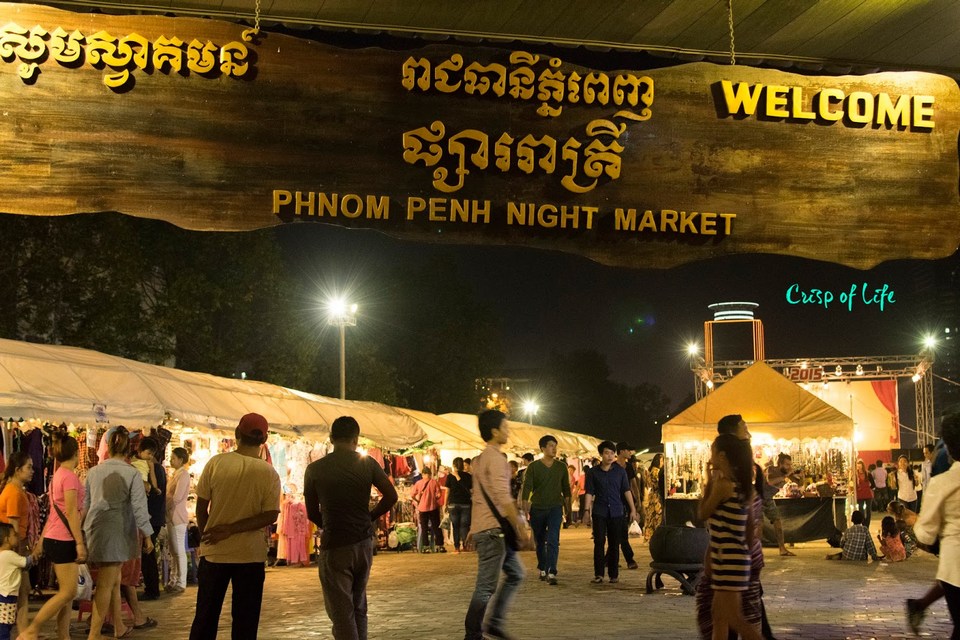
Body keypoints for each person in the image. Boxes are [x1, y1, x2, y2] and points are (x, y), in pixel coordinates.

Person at [303, 415, 398, 640]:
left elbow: (311, 512)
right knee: (358, 604)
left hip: (335, 544)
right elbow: (391, 496)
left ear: (331, 438)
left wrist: (326, 523)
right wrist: (370, 517)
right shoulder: (367, 464)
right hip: (363, 543)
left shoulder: (315, 469)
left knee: (341, 610)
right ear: (356, 439)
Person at [188, 413, 281, 640]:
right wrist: (234, 529)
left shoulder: (216, 463)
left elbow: (202, 507)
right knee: (245, 623)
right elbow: (270, 515)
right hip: (250, 556)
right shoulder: (268, 473)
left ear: (237, 434)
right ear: (264, 439)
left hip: (215, 554)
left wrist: (207, 534)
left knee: (205, 619)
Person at [464, 410, 530, 640]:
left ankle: (494, 622)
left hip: (489, 529)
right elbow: (503, 498)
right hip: (493, 532)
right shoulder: (496, 459)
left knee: (517, 573)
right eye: (505, 426)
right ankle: (473, 634)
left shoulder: (480, 459)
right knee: (485, 586)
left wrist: (473, 528)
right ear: (494, 431)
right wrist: (520, 526)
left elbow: (478, 498)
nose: (508, 430)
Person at [83, 426, 154, 640]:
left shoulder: (94, 471)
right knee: (106, 583)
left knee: (113, 580)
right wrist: (148, 536)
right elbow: (140, 508)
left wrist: (83, 534)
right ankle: (94, 634)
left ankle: (119, 627)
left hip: (95, 529)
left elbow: (86, 505)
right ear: (127, 448)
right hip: (117, 532)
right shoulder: (130, 472)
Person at [18, 434, 86, 640]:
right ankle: (33, 629)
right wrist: (80, 543)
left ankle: (64, 635)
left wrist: (40, 541)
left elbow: (55, 512)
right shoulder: (69, 477)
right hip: (64, 538)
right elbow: (71, 512)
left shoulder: (58, 475)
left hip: (55, 536)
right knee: (68, 591)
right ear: (76, 453)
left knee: (67, 593)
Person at [698, 433, 761, 640]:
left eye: (713, 452)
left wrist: (707, 481)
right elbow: (750, 528)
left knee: (734, 618)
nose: (711, 456)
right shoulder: (741, 486)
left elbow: (702, 513)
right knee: (719, 616)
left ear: (722, 456)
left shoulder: (723, 486)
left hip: (729, 560)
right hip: (735, 557)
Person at [913, 411, 960, 639]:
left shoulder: (942, 483)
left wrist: (915, 524)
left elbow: (925, 534)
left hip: (955, 570)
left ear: (949, 448)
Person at [583, 440, 637, 585]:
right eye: (607, 453)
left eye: (612, 453)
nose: (610, 456)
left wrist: (633, 509)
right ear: (601, 454)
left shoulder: (620, 472)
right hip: (599, 511)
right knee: (599, 542)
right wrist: (586, 511)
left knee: (614, 543)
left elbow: (626, 490)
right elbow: (589, 492)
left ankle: (614, 574)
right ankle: (599, 574)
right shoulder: (593, 472)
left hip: (616, 511)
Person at [521, 434, 571, 585]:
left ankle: (552, 571)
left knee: (553, 539)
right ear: (542, 448)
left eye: (555, 446)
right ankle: (542, 567)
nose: (554, 448)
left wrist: (567, 507)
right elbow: (527, 486)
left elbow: (566, 489)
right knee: (540, 539)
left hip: (556, 507)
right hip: (537, 508)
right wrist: (524, 503)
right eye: (550, 445)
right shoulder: (533, 467)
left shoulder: (561, 467)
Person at [0, 453, 33, 635]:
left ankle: (24, 631)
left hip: (15, 545)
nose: (32, 471)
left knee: (23, 590)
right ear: (17, 470)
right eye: (28, 467)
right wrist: (20, 552)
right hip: (14, 546)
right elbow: (14, 526)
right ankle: (24, 633)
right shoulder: (13, 492)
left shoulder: (16, 490)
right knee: (21, 591)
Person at [135, 437, 166, 601]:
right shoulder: (156, 468)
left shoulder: (154, 469)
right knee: (148, 554)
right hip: (154, 517)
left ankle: (152, 589)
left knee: (148, 554)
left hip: (152, 518)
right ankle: (152, 587)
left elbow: (154, 493)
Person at [0, 522, 35, 640]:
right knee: (5, 626)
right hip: (7, 596)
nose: (17, 537)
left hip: (3, 594)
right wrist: (36, 554)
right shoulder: (9, 555)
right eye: (14, 535)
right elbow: (26, 562)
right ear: (6, 539)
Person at [166, 447, 191, 594]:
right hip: (170, 515)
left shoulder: (184, 475)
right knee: (173, 551)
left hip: (177, 516)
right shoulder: (176, 474)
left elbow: (177, 497)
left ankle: (181, 582)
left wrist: (166, 501)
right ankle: (173, 579)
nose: (171, 460)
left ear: (181, 460)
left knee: (179, 550)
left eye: (174, 458)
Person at [763, 453, 798, 557]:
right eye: (787, 464)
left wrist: (800, 476)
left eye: (790, 464)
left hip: (768, 499)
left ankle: (782, 549)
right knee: (758, 524)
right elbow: (770, 482)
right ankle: (753, 550)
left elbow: (799, 484)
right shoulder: (771, 469)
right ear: (780, 464)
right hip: (757, 497)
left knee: (777, 521)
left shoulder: (786, 473)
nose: (789, 467)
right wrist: (786, 476)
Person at [613, 443, 639, 569]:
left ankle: (610, 558)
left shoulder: (628, 467)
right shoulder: (612, 467)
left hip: (627, 502)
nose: (630, 453)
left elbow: (633, 484)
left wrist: (637, 500)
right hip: (615, 503)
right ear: (621, 451)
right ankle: (629, 559)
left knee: (620, 531)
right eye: (628, 450)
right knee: (621, 531)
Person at [411, 466, 445, 553]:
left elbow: (412, 495)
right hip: (433, 507)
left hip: (422, 508)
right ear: (430, 474)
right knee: (436, 527)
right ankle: (440, 545)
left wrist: (418, 500)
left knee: (424, 528)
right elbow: (439, 494)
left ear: (423, 474)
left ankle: (426, 547)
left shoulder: (418, 483)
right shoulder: (434, 482)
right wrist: (434, 498)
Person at [443, 457, 472, 554]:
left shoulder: (450, 476)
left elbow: (447, 491)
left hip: (453, 504)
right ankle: (465, 545)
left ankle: (456, 547)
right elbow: (471, 490)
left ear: (454, 465)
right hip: (466, 504)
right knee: (465, 526)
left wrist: (445, 504)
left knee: (455, 526)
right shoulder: (468, 476)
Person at [643, 452, 664, 544]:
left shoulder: (650, 470)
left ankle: (650, 537)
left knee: (650, 517)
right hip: (656, 496)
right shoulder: (656, 471)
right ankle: (656, 537)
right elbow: (658, 485)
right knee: (657, 517)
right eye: (662, 460)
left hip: (651, 495)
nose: (663, 462)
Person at [854, 459, 875, 528]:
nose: (859, 468)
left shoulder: (868, 474)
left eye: (860, 466)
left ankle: (867, 525)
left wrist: (869, 486)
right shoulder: (855, 475)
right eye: (858, 467)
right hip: (860, 496)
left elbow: (873, 485)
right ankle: (863, 524)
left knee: (868, 510)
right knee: (861, 511)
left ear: (863, 466)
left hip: (868, 495)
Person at [920, 444, 935, 510]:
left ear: (932, 452)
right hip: (930, 492)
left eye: (926, 453)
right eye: (924, 453)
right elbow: (924, 481)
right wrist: (924, 494)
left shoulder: (940, 462)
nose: (924, 455)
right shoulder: (924, 464)